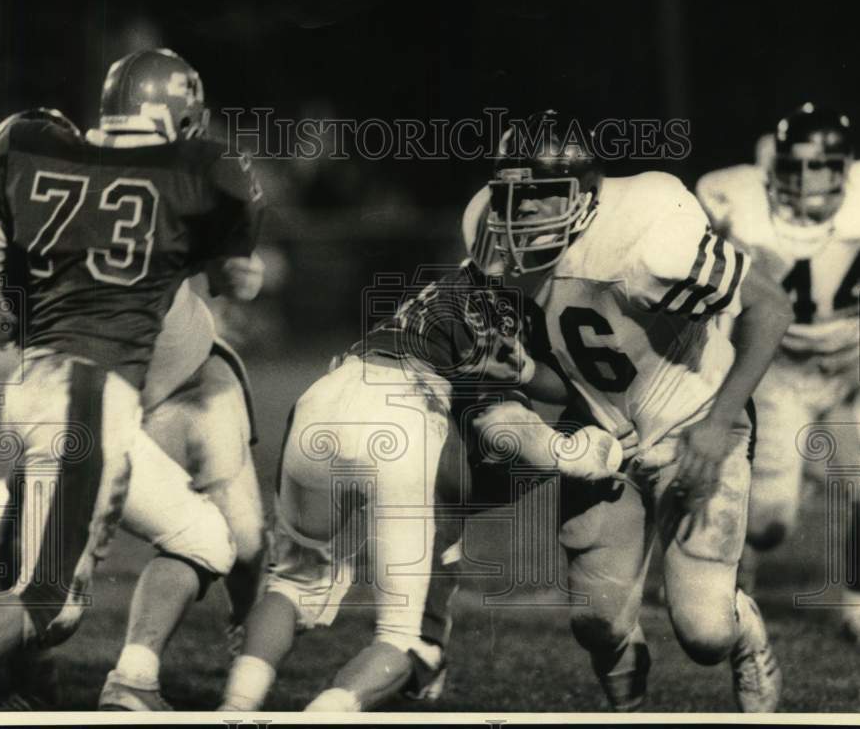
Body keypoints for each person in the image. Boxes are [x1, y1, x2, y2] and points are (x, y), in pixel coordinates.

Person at [461, 109, 793, 712]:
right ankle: (628, 704)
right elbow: (586, 368)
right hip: (601, 431)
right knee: (597, 624)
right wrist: (528, 375)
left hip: (691, 421)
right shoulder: (487, 231)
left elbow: (769, 307)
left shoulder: (647, 235)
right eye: (510, 194)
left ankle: (747, 641)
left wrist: (719, 423)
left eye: (538, 195)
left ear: (585, 194)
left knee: (704, 633)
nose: (519, 211)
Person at [0, 48, 264, 679]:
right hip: (86, 389)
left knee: (209, 540)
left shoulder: (35, 156)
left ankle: (130, 682)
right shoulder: (192, 174)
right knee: (47, 604)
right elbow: (241, 280)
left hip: (76, 392)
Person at [220, 259, 634, 712]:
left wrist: (532, 376)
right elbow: (503, 424)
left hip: (325, 397)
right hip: (401, 419)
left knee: (291, 586)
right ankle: (328, 713)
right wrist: (580, 452)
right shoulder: (504, 311)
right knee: (400, 637)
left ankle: (235, 708)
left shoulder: (447, 287)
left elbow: (536, 378)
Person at [696, 103, 860, 652]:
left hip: (857, 364)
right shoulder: (742, 206)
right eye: (794, 169)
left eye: (822, 168)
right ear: (771, 170)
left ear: (847, 168)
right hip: (780, 369)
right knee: (770, 520)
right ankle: (739, 571)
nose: (807, 183)